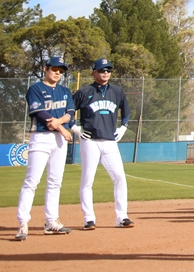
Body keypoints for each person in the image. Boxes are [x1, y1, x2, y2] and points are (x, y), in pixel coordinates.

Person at [15, 56, 75, 240]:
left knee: (55, 181)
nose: (57, 73)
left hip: (58, 140)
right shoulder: (36, 89)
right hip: (40, 136)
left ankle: (51, 222)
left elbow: (71, 113)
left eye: (61, 70)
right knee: (32, 181)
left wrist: (59, 123)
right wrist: (61, 127)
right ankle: (23, 223)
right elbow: (39, 112)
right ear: (45, 69)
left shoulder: (65, 91)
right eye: (54, 69)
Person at [72, 57, 133, 230]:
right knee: (87, 180)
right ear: (94, 72)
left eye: (108, 70)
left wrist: (123, 128)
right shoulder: (84, 92)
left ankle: (122, 217)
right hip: (90, 141)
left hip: (110, 142)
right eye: (102, 70)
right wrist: (75, 128)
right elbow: (68, 112)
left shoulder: (117, 92)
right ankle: (88, 218)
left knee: (120, 177)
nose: (105, 73)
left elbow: (126, 112)